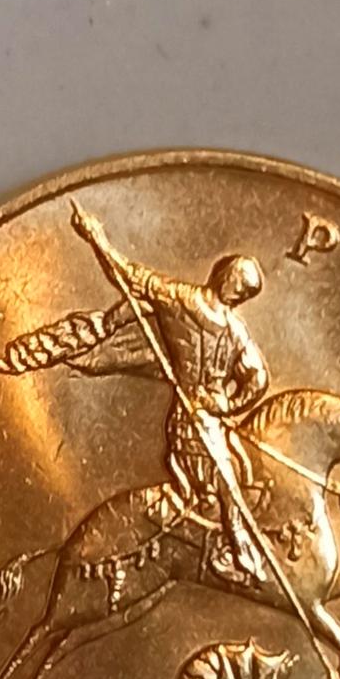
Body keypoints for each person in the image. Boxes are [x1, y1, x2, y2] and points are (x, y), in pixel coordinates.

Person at [69, 202, 270, 585]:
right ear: (225, 274)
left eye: (244, 290)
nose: (238, 291)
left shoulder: (235, 330)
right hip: (190, 420)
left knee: (247, 474)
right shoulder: (182, 300)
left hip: (212, 418)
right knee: (226, 485)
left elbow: (258, 379)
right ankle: (238, 553)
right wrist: (97, 239)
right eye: (238, 282)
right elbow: (130, 277)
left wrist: (227, 404)